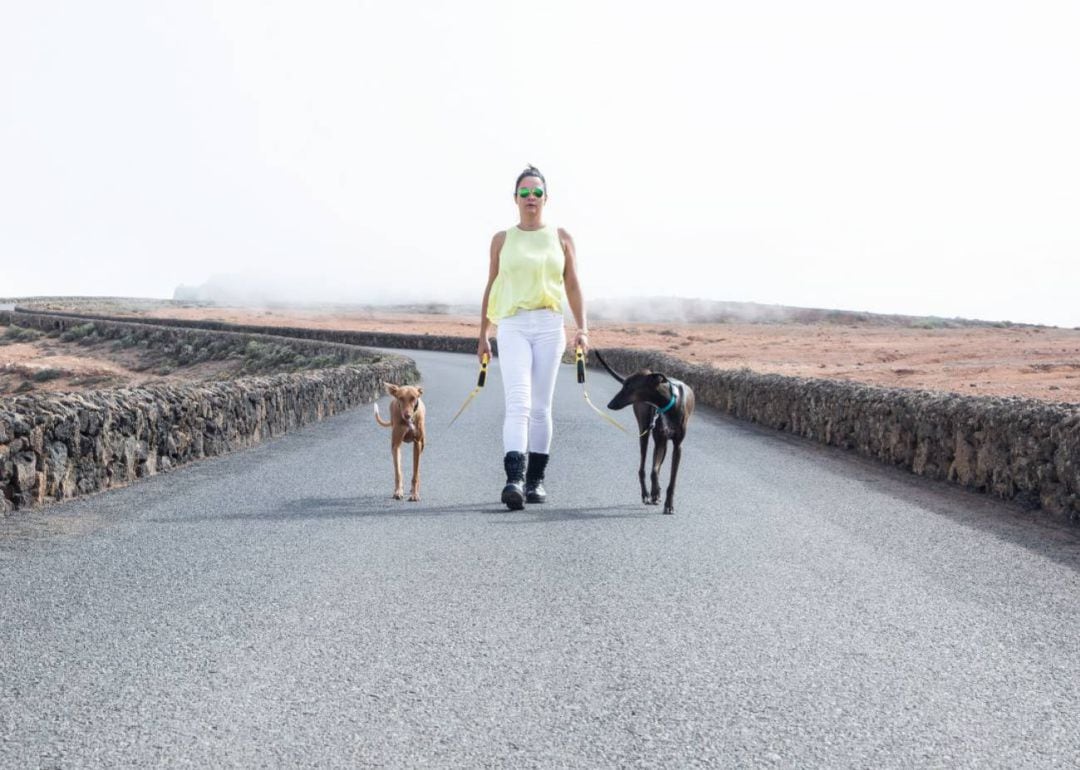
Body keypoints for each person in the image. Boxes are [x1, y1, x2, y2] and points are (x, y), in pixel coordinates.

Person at [477, 165, 588, 510]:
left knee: (541, 407)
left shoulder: (561, 238)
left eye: (536, 192)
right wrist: (483, 333)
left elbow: (572, 285)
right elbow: (492, 285)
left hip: (549, 325)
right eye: (524, 193)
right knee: (519, 403)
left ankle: (536, 482)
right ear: (515, 198)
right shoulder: (501, 239)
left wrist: (583, 328)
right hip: (512, 325)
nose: (530, 198)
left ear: (545, 198)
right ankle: (514, 479)